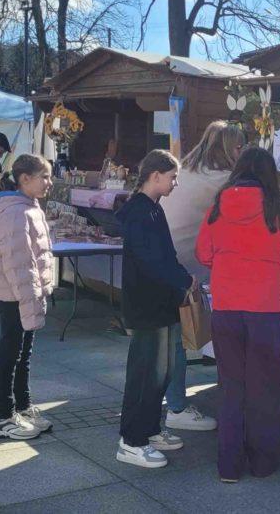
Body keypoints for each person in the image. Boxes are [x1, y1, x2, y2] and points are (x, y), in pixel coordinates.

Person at [196, 146, 280, 483]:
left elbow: (203, 253)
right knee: (264, 388)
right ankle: (263, 462)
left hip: (226, 307)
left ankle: (228, 465)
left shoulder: (217, 208)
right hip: (265, 309)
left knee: (231, 386)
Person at [159, 120, 246, 433]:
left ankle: (164, 401)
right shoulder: (222, 179)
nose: (242, 152)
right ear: (230, 148)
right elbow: (263, 207)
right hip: (181, 264)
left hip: (160, 257)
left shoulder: (186, 170)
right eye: (239, 147)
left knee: (167, 338)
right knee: (175, 339)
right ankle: (177, 408)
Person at [116, 149, 192, 469]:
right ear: (155, 175)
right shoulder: (139, 211)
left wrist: (182, 280)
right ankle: (131, 441)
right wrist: (183, 279)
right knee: (145, 374)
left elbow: (165, 256)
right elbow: (153, 261)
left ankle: (148, 429)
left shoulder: (153, 208)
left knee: (162, 372)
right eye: (172, 177)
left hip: (161, 303)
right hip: (146, 305)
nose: (175, 183)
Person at [0, 155, 55, 440]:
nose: (49, 182)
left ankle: (22, 407)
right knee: (10, 355)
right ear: (25, 179)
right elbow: (19, 265)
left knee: (23, 355)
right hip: (15, 295)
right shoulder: (15, 212)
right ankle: (3, 417)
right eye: (44, 176)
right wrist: (29, 301)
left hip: (25, 293)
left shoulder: (29, 207)